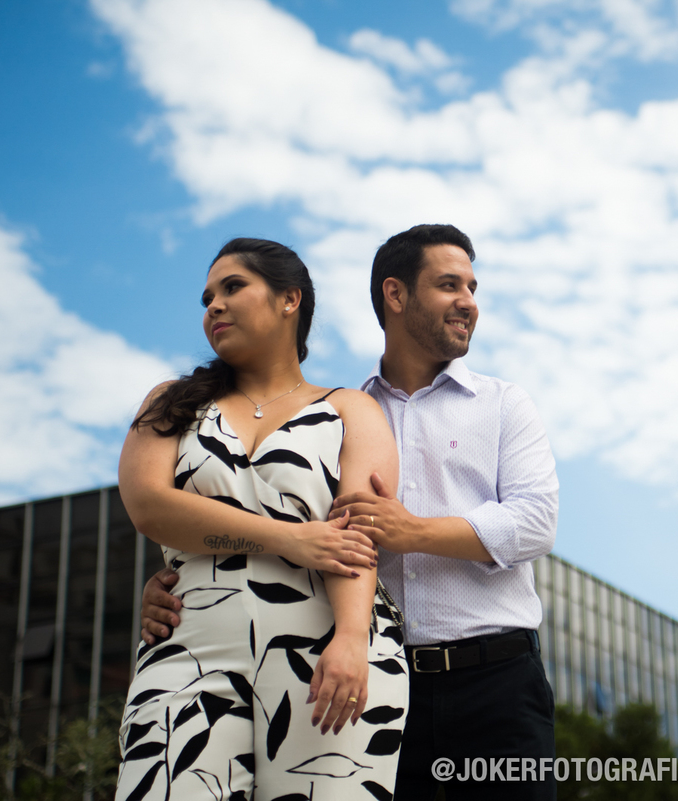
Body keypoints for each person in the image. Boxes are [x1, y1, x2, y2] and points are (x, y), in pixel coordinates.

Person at [141, 225, 560, 800]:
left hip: (497, 682)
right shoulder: (345, 412)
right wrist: (190, 573)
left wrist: (413, 532)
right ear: (395, 294)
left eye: (471, 285)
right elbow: (300, 526)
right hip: (380, 677)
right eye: (448, 284)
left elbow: (536, 522)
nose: (468, 301)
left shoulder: (502, 404)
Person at [116, 238, 408, 801]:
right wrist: (289, 538)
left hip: (327, 643)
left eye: (232, 288)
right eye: (207, 298)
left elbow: (357, 533)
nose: (213, 307)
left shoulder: (352, 408)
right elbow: (149, 506)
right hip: (189, 641)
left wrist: (351, 638)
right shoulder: (172, 401)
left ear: (288, 300)